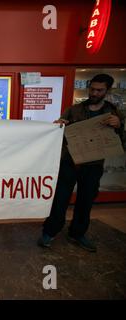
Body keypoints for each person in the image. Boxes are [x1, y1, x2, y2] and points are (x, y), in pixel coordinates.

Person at [38, 74, 125, 252]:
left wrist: (120, 126)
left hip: (93, 166)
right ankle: (50, 231)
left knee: (85, 201)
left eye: (99, 90)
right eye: (92, 89)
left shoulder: (115, 113)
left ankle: (77, 233)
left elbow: (121, 142)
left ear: (107, 91)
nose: (94, 93)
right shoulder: (74, 110)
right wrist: (58, 126)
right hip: (69, 163)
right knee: (60, 200)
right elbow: (60, 137)